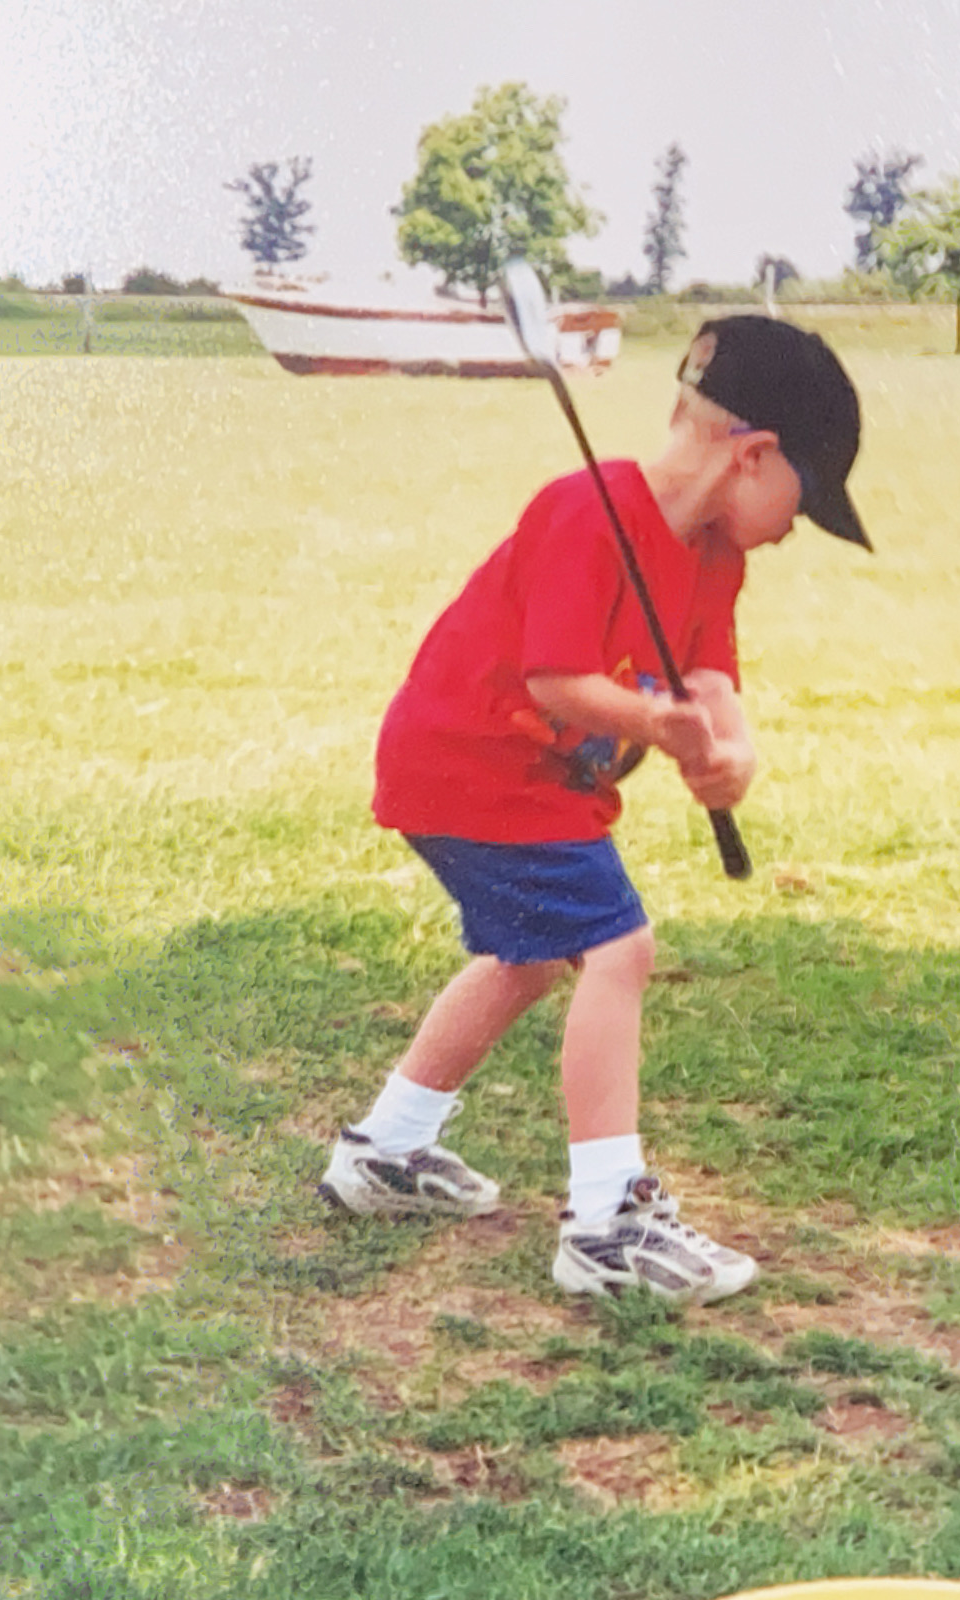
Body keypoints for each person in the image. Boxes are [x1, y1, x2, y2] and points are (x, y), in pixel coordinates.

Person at [321, 314, 871, 1303]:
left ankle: (385, 1150)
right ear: (753, 457)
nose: (799, 525)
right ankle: (607, 1221)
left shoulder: (714, 555)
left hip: (515, 780)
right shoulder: (588, 509)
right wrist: (660, 725)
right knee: (619, 948)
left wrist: (730, 753)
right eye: (807, 498)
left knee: (529, 958)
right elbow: (558, 680)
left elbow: (711, 674)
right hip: (469, 761)